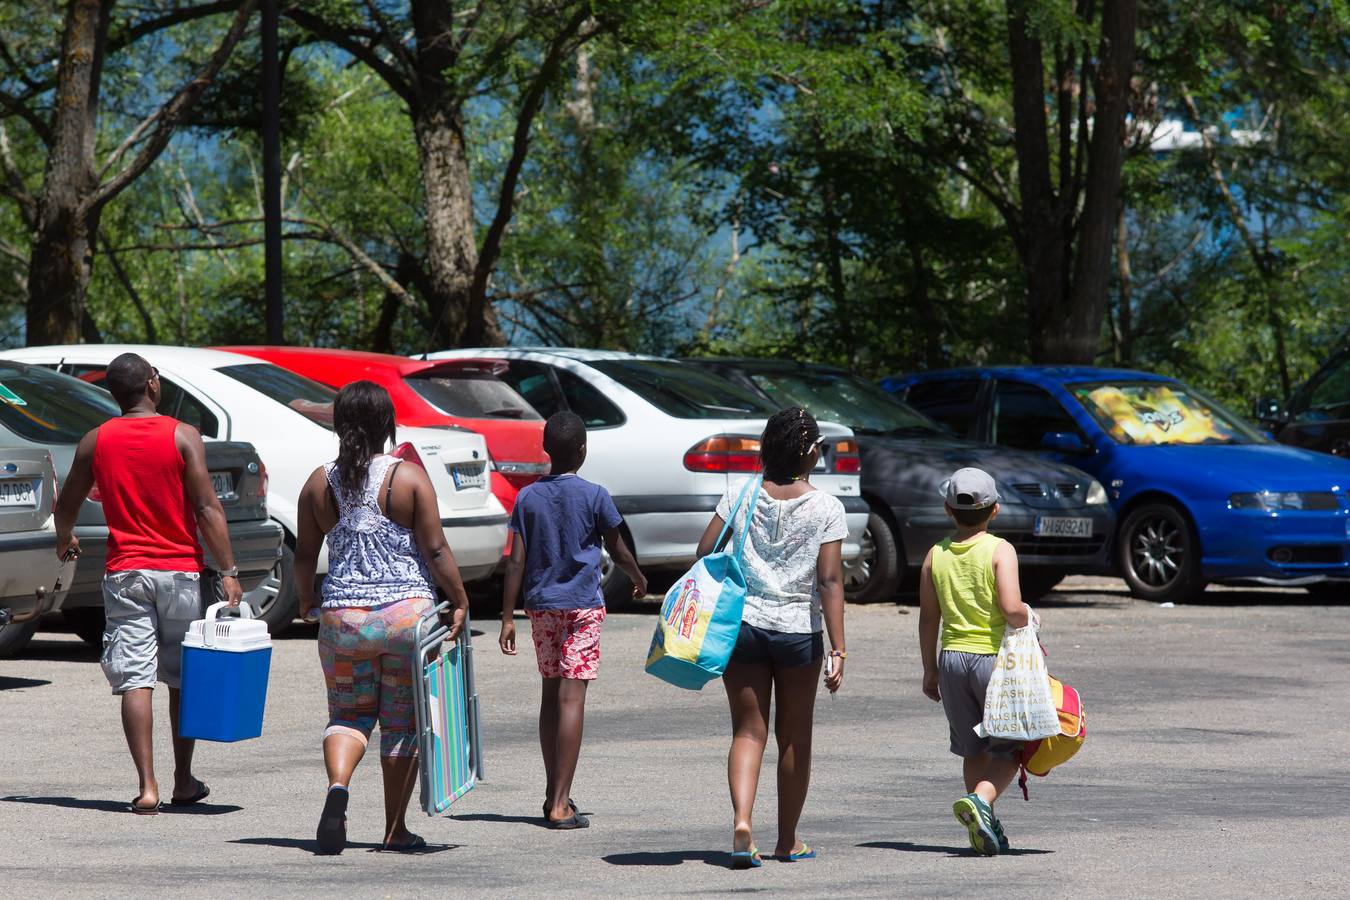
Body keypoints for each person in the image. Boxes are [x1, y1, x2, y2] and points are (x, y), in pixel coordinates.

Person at [54, 352, 243, 815]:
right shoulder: (183, 435)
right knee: (181, 679)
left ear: (114, 394)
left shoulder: (95, 441)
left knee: (136, 679)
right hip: (179, 572)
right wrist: (230, 571)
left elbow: (67, 502)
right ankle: (183, 780)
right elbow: (205, 508)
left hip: (125, 574)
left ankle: (147, 787)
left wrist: (66, 538)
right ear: (153, 385)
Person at [294, 381, 471, 855]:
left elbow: (305, 555)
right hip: (406, 621)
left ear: (338, 423)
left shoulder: (317, 483)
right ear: (386, 424)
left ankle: (338, 789)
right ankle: (395, 830)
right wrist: (459, 598)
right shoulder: (407, 478)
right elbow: (434, 549)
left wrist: (305, 601)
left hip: (343, 621)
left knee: (348, 715)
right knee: (401, 723)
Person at [694, 407, 847, 868]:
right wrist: (838, 647)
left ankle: (743, 823)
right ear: (808, 451)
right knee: (795, 736)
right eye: (818, 445)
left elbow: (704, 552)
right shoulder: (827, 507)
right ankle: (786, 840)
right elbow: (830, 581)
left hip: (743, 626)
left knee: (748, 730)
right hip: (799, 632)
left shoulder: (741, 494)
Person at [498, 410, 646, 830]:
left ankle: (553, 791)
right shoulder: (596, 495)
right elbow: (617, 550)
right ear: (584, 450)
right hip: (581, 606)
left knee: (550, 697)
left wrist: (508, 617)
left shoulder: (527, 498)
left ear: (546, 449)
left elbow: (515, 563)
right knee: (571, 699)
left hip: (541, 606)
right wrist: (637, 577)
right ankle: (560, 804)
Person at [917, 466, 1033, 857]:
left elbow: (928, 617)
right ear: (995, 509)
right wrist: (1030, 615)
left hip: (950, 660)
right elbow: (1010, 607)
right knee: (1011, 748)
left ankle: (985, 824)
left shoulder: (935, 556)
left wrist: (929, 668)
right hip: (993, 663)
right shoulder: (1001, 550)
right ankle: (982, 801)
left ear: (948, 509)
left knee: (973, 749)